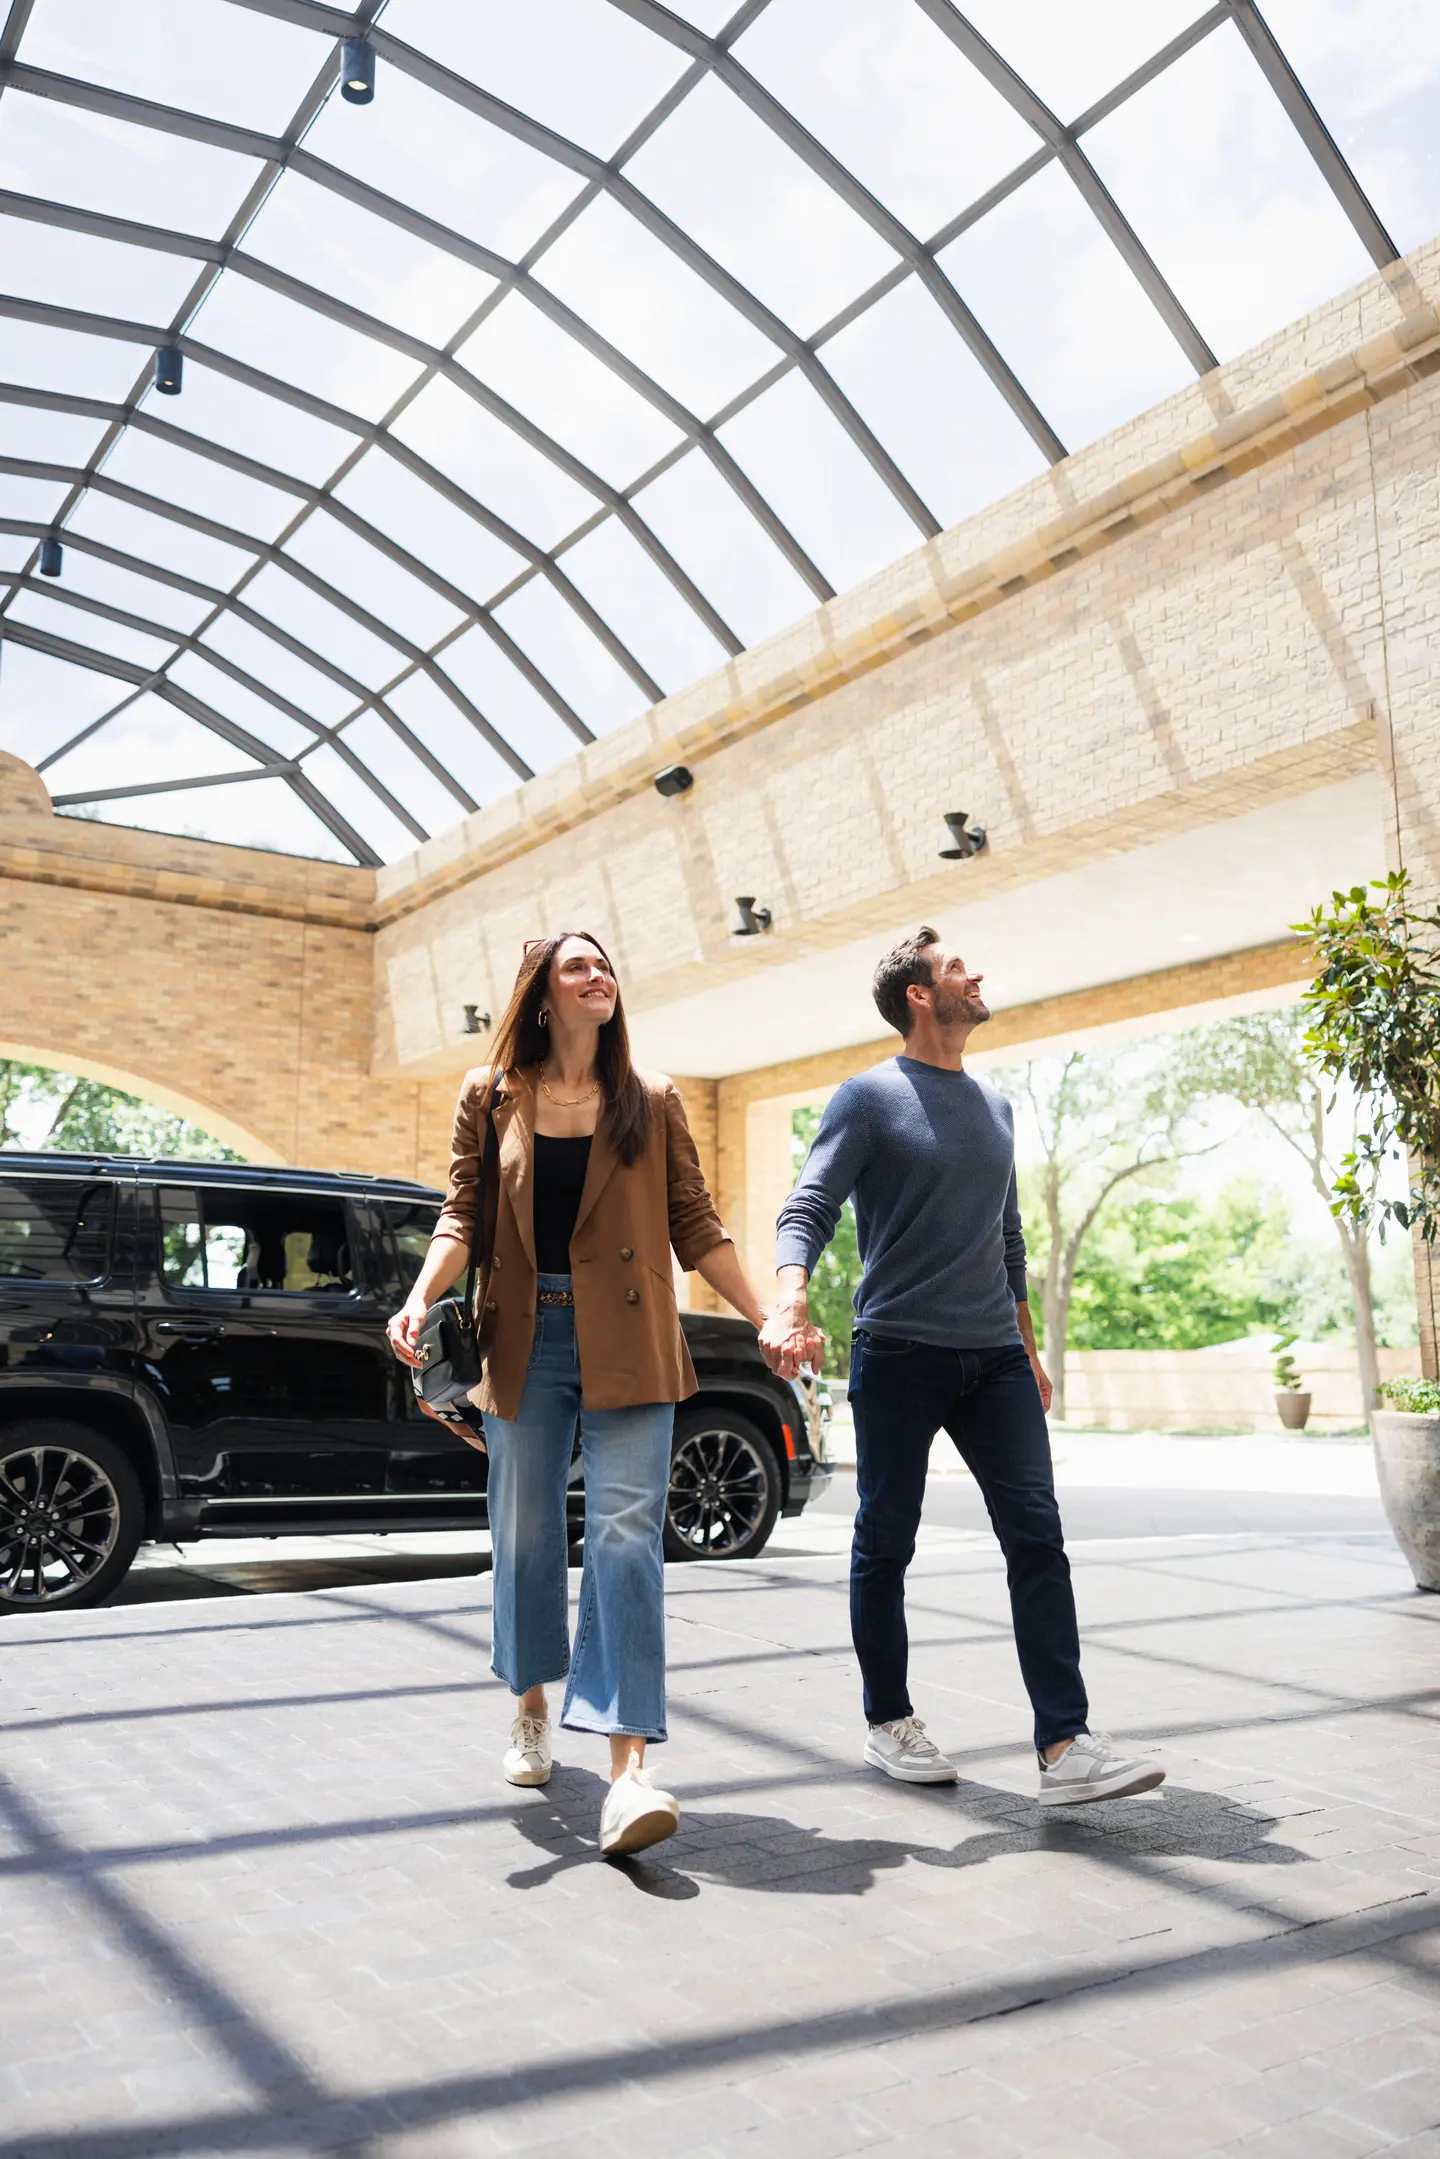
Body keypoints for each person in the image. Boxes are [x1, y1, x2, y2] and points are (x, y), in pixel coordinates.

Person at [762, 927, 1164, 1807]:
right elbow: (809, 1205)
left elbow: (1008, 1236)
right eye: (955, 968)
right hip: (898, 1351)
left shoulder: (997, 1107)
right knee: (887, 1537)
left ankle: (1065, 1743)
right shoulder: (868, 1098)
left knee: (1037, 1534)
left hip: (994, 1361)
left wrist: (1025, 1342)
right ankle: (888, 1719)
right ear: (918, 994)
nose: (975, 974)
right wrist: (790, 1297)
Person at [389, 931, 771, 1857]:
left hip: (631, 1332)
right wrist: (419, 1295)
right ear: (542, 994)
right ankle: (529, 1704)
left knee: (627, 1535)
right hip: (525, 1334)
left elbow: (694, 1221)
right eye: (579, 967)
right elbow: (463, 1213)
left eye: (606, 965)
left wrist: (765, 1315)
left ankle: (627, 1765)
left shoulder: (652, 1097)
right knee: (522, 1527)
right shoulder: (492, 1096)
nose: (600, 977)